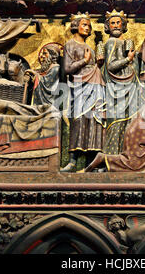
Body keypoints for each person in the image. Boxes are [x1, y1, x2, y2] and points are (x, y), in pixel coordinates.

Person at [102, 9, 145, 155]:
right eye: (112, 23)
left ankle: (126, 156)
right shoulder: (111, 42)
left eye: (119, 22)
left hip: (131, 86)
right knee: (117, 123)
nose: (116, 25)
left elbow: (137, 64)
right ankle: (111, 158)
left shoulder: (125, 43)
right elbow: (110, 66)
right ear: (108, 27)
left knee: (130, 123)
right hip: (117, 89)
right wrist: (128, 59)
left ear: (124, 24)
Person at [60, 13, 106, 172]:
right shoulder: (70, 45)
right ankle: (73, 161)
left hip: (96, 85)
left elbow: (93, 68)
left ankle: (92, 163)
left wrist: (98, 64)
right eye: (84, 25)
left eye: (89, 26)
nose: (87, 28)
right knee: (78, 120)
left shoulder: (92, 49)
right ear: (75, 26)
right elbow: (67, 69)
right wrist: (85, 61)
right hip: (79, 86)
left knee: (95, 120)